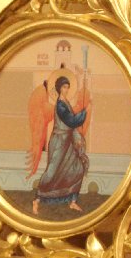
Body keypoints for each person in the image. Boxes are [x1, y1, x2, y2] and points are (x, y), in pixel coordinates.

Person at [32, 74, 90, 215]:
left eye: (68, 87)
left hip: (68, 141)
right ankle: (37, 200)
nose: (66, 89)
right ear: (59, 88)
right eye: (64, 87)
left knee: (77, 168)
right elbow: (71, 121)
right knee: (52, 172)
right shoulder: (60, 104)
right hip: (59, 141)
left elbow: (71, 124)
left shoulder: (66, 101)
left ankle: (72, 201)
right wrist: (83, 113)